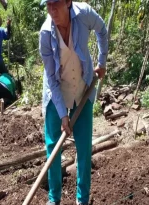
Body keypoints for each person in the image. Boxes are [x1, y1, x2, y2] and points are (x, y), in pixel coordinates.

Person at [39, 0, 108, 205]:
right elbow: (51, 78)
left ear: (68, 1)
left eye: (56, 4)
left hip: (82, 87)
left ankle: (83, 199)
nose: (52, 10)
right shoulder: (45, 33)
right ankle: (54, 199)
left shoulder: (84, 14)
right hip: (56, 91)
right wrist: (63, 115)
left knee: (84, 145)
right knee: (53, 146)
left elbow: (102, 30)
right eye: (48, 5)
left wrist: (102, 62)